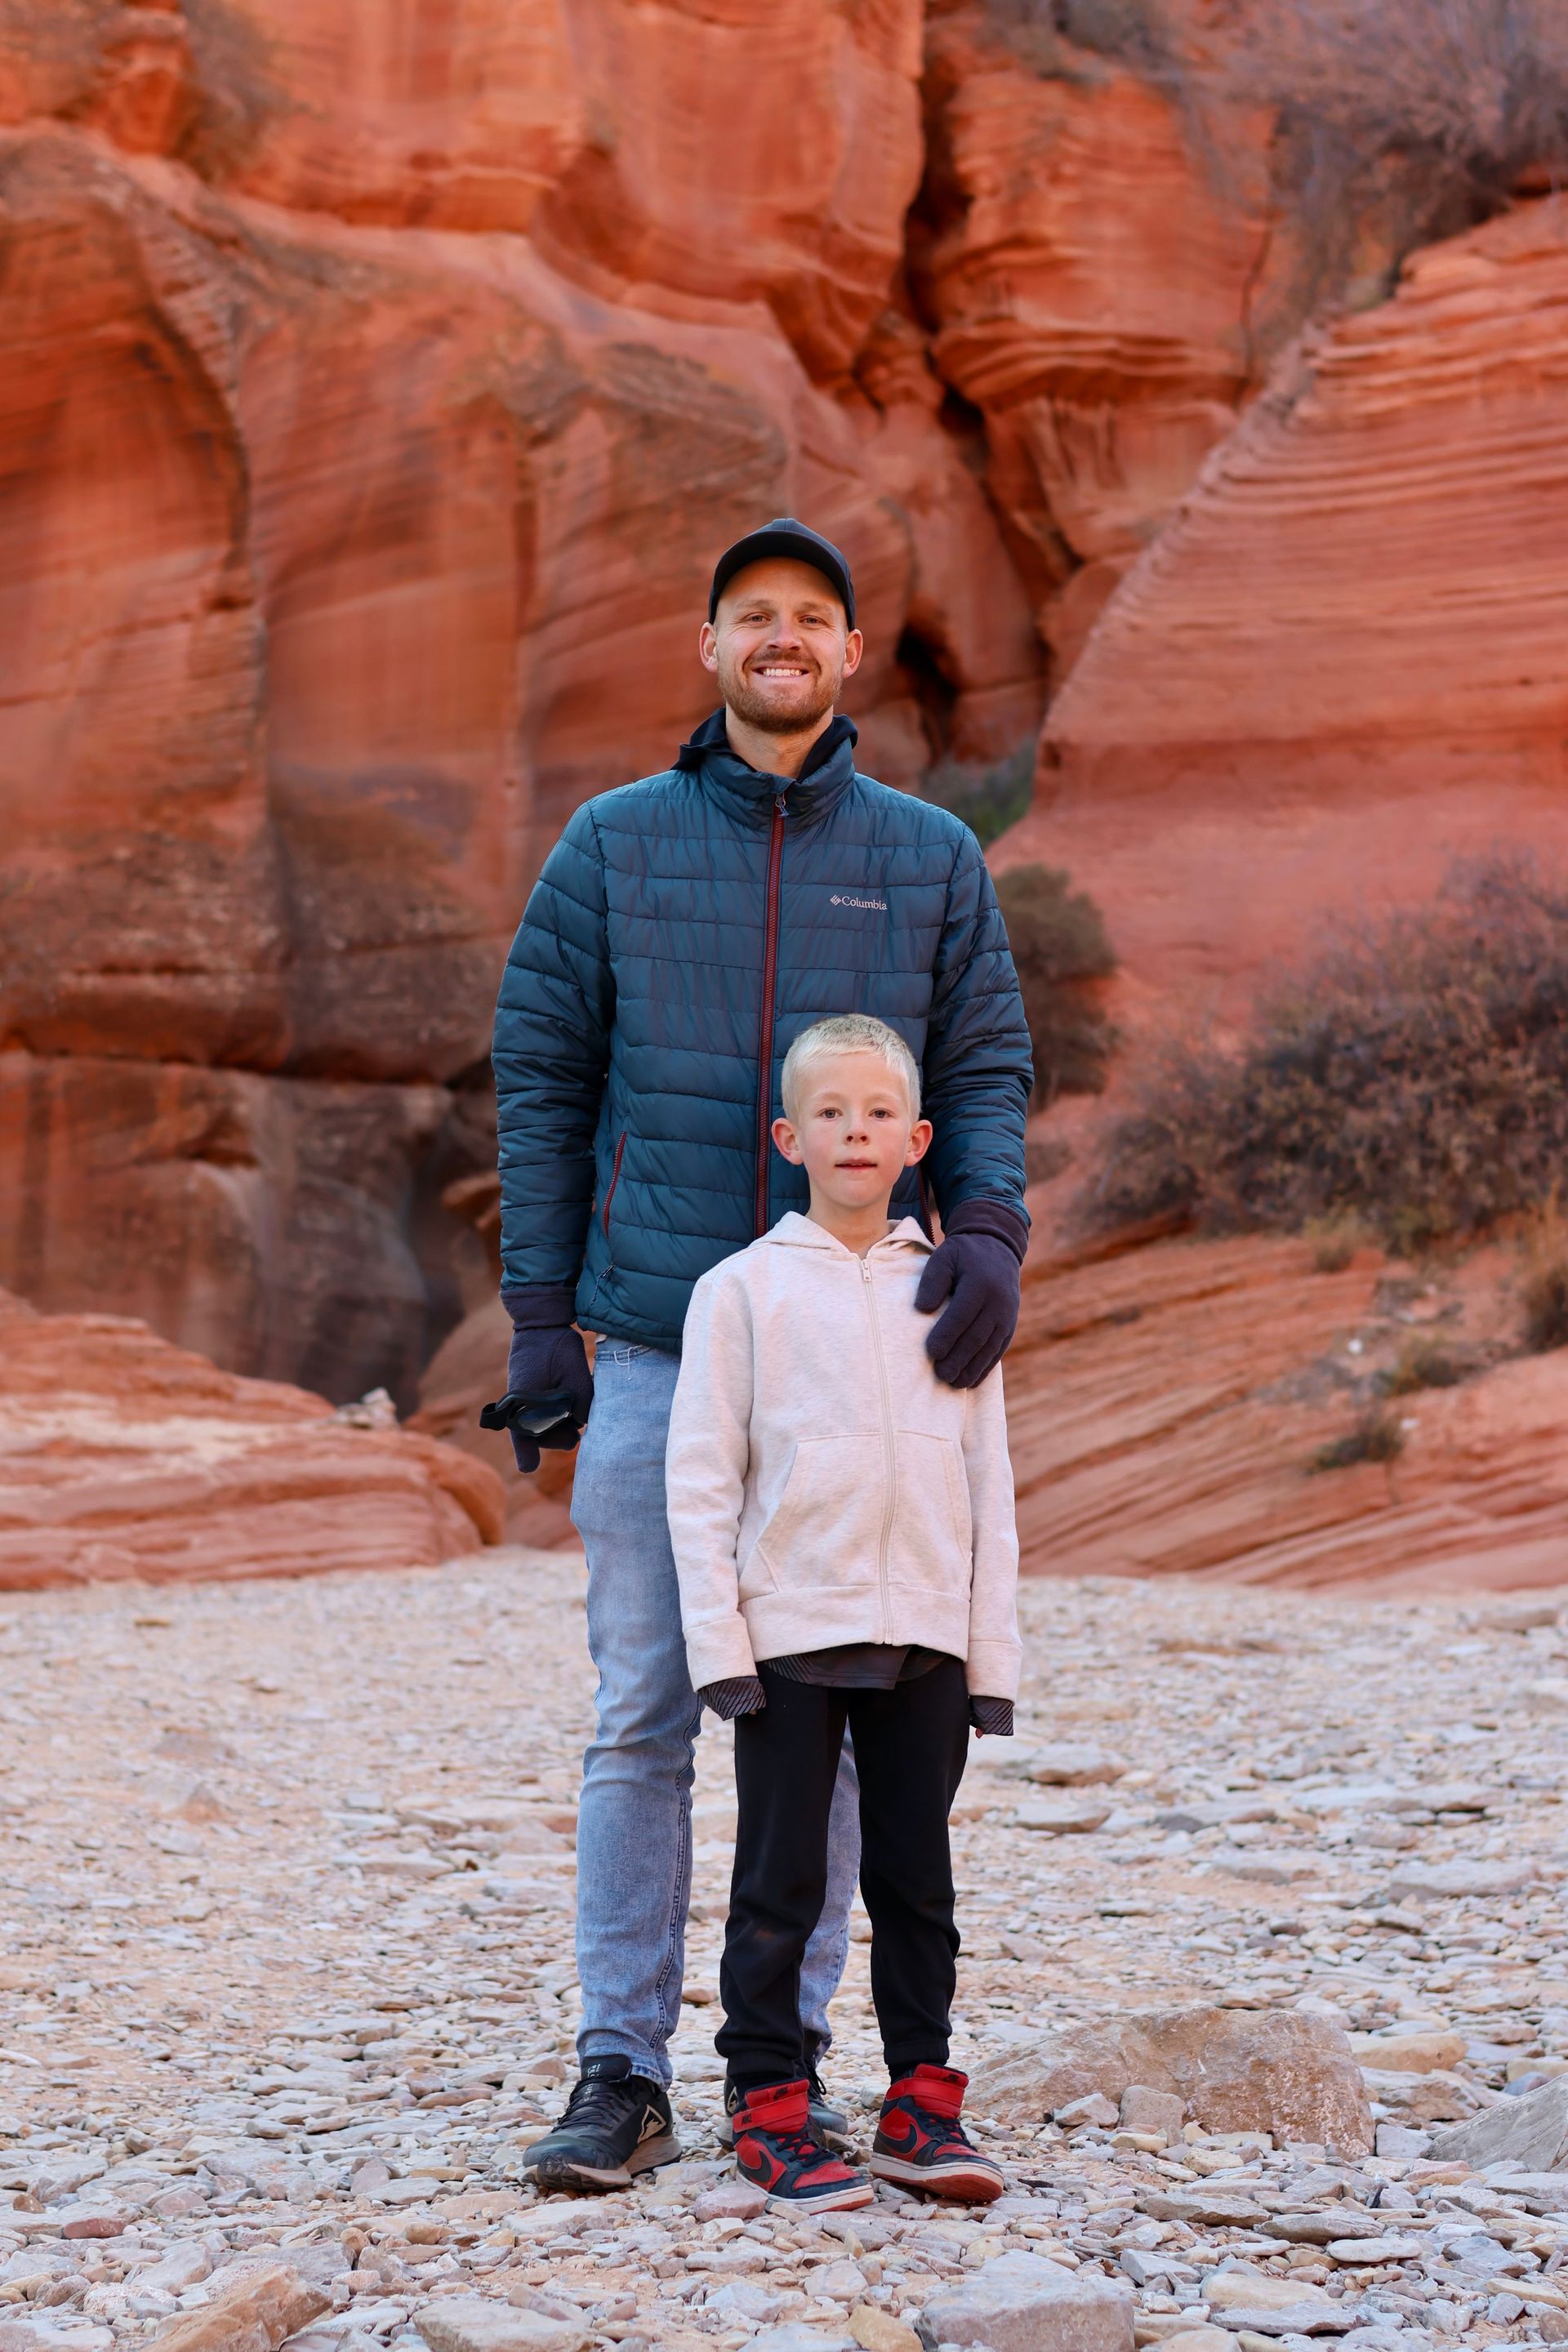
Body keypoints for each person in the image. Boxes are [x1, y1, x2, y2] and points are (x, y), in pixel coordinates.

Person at [492, 517, 1033, 2194]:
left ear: (847, 655)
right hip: (658, 1341)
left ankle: (779, 2074)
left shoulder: (933, 856)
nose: (782, 640)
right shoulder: (612, 845)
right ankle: (619, 2069)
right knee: (648, 1712)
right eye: (752, 618)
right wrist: (539, 1315)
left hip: (858, 1353)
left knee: (862, 1710)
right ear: (705, 645)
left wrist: (993, 1232)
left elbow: (990, 1061)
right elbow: (540, 1076)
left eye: (812, 617)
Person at [665, 1014, 1020, 2210]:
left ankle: (922, 2103)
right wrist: (721, 1642)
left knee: (919, 1884)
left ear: (918, 1140)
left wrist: (991, 1658)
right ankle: (769, 2102)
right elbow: (703, 1478)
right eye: (829, 1113)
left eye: (877, 1114)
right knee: (780, 1880)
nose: (854, 1131)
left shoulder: (953, 1292)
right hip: (792, 1636)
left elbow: (989, 1487)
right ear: (788, 1137)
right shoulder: (740, 1293)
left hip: (927, 1629)